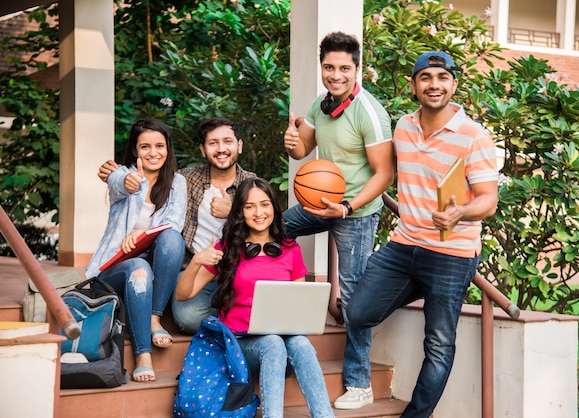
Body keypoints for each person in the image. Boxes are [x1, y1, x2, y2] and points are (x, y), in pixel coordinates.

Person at [346, 51, 499, 417]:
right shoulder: (402, 127)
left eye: (442, 78)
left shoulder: (474, 137)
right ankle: (418, 283)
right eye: (426, 78)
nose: (434, 85)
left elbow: (488, 201)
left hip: (452, 253)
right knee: (357, 311)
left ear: (454, 85)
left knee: (439, 346)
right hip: (404, 246)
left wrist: (460, 211)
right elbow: (375, 162)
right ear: (414, 86)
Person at [282, 31, 395, 409]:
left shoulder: (371, 113)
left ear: (357, 69)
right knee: (274, 228)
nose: (336, 74)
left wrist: (346, 207)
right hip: (319, 202)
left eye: (344, 67)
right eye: (329, 67)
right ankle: (272, 313)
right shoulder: (321, 104)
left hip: (356, 212)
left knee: (353, 299)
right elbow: (304, 149)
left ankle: (360, 384)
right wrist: (291, 140)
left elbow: (383, 175)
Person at [175, 177, 334, 418]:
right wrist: (197, 260)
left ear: (273, 208)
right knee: (272, 343)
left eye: (264, 204)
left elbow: (297, 307)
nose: (258, 212)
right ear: (240, 212)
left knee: (299, 343)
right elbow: (183, 294)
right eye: (250, 207)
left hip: (281, 349)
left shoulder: (290, 248)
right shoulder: (226, 248)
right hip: (240, 348)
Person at [98, 117, 256, 334]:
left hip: (238, 269)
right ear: (203, 149)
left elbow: (269, 227)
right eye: (212, 143)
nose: (221, 149)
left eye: (227, 141)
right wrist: (113, 174)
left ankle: (233, 318)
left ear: (239, 145)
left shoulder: (252, 185)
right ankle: (237, 319)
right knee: (188, 318)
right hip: (194, 268)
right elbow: (148, 179)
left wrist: (234, 212)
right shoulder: (185, 179)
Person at [86, 118, 187, 382]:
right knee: (139, 267)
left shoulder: (178, 183)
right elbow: (121, 182)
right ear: (135, 150)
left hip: (153, 268)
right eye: (145, 147)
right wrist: (130, 181)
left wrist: (142, 234)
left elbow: (174, 221)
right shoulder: (124, 175)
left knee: (173, 237)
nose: (153, 153)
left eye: (159, 146)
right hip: (113, 271)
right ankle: (143, 355)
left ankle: (154, 318)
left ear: (168, 149)